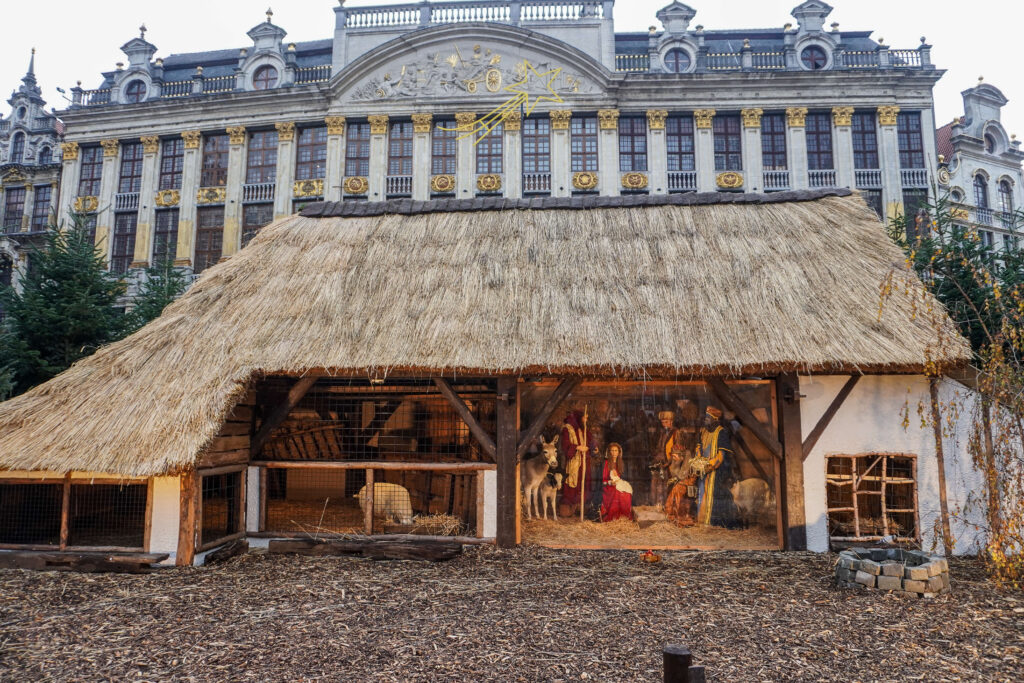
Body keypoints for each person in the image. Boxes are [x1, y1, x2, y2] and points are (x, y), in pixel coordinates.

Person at [692, 406, 739, 528]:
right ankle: (701, 521)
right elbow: (699, 447)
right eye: (705, 417)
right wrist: (698, 461)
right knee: (701, 494)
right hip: (703, 470)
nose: (705, 420)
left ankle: (712, 523)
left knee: (714, 496)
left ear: (714, 419)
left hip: (716, 472)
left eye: (708, 418)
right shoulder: (703, 431)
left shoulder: (721, 432)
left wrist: (710, 465)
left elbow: (721, 456)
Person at [559, 409, 598, 517]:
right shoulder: (568, 429)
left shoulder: (583, 429)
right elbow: (565, 446)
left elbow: (591, 442)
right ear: (578, 417)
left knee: (584, 484)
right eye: (584, 417)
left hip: (585, 462)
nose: (586, 420)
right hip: (574, 463)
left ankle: (580, 508)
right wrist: (577, 447)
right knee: (572, 484)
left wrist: (594, 448)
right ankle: (568, 509)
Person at [649, 410, 683, 509]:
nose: (664, 424)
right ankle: (657, 504)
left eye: (666, 422)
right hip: (659, 461)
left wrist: (670, 462)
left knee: (667, 485)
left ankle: (667, 506)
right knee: (657, 484)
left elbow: (678, 450)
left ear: (671, 421)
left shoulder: (676, 432)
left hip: (670, 464)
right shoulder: (662, 432)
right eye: (662, 422)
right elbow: (659, 446)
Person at [601, 443, 633, 522]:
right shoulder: (606, 463)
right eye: (612, 451)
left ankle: (623, 517)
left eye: (616, 451)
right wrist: (610, 482)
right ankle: (614, 517)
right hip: (608, 485)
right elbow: (603, 481)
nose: (614, 453)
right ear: (609, 452)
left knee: (626, 492)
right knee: (617, 493)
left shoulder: (620, 463)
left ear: (619, 452)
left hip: (617, 483)